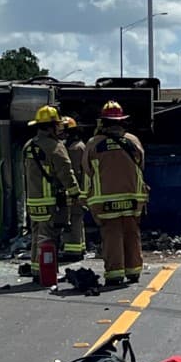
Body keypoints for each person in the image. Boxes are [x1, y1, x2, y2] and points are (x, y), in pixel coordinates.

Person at [84, 100, 148, 286]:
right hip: (133, 197)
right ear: (122, 121)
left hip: (104, 199)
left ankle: (114, 274)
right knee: (131, 233)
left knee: (112, 235)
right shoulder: (133, 141)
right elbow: (141, 165)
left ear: (102, 122)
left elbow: (87, 170)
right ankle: (134, 271)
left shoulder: (94, 143)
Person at [22, 105, 82, 266]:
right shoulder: (54, 146)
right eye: (57, 125)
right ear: (51, 127)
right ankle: (46, 270)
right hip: (51, 201)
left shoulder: (29, 145)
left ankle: (37, 268)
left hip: (33, 200)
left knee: (37, 235)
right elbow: (66, 171)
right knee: (49, 237)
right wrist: (75, 193)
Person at [60, 116, 89, 261]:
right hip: (78, 190)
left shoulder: (74, 148)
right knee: (77, 218)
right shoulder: (78, 146)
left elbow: (74, 172)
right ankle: (80, 247)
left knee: (73, 219)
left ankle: (72, 251)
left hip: (75, 190)